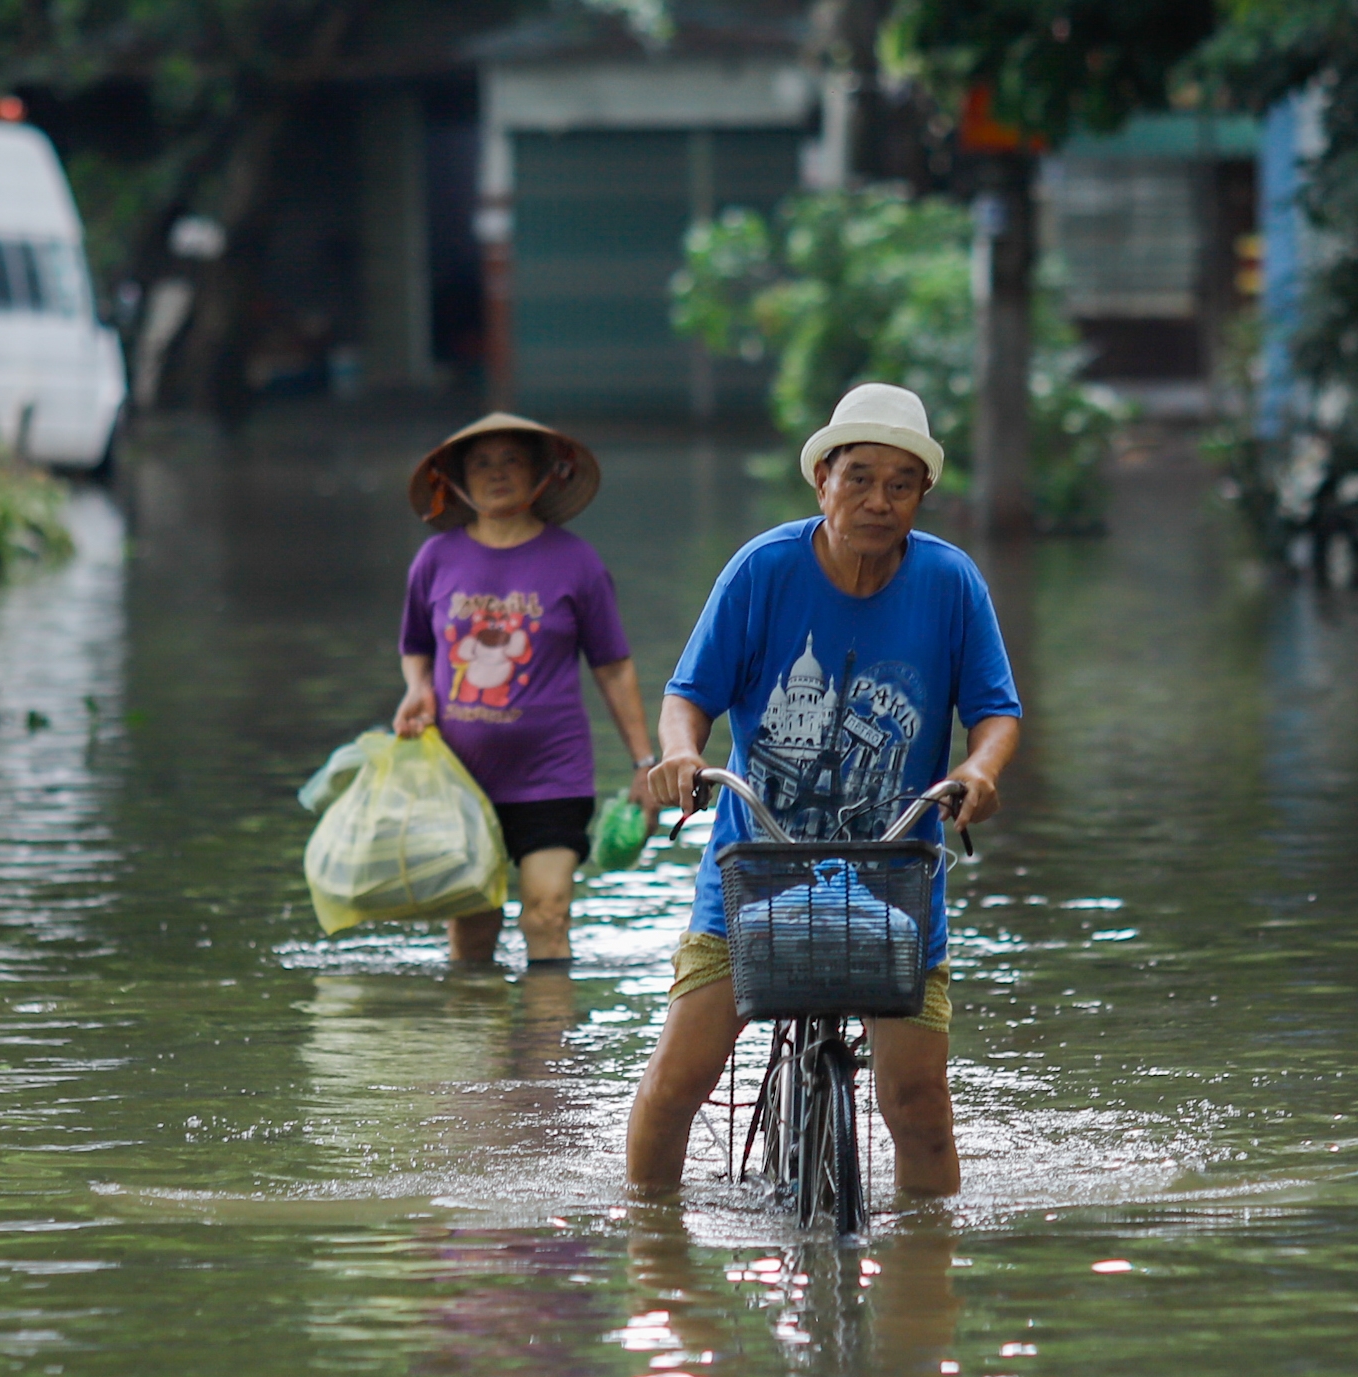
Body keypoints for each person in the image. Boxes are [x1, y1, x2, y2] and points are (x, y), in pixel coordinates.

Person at [628, 384, 1022, 1197]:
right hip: (755, 867)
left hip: (894, 874)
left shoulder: (952, 584)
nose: (878, 501)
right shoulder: (763, 570)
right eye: (859, 478)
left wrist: (979, 771)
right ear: (822, 482)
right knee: (676, 1086)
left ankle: (924, 1290)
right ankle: (654, 1258)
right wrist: (678, 757)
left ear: (921, 496)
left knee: (918, 1104)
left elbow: (996, 713)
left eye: (900, 484)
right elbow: (688, 696)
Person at [394, 413, 657, 966]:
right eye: (482, 462)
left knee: (548, 911)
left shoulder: (576, 562)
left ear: (540, 473)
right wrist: (418, 688)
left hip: (552, 773)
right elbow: (416, 643)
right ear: (459, 479)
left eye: (512, 459)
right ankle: (478, 1047)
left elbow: (613, 667)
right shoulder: (435, 560)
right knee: (471, 929)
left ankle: (548, 1050)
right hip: (460, 778)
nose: (497, 473)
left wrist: (643, 763)